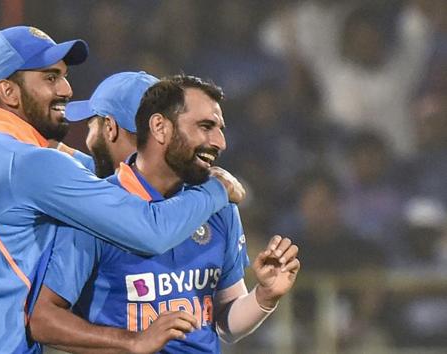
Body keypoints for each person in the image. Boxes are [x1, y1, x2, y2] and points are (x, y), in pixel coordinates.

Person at [0, 26, 244, 354]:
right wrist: (216, 190)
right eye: (50, 77)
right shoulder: (29, 164)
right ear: (9, 91)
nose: (67, 88)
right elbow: (150, 229)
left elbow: (97, 178)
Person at [29, 74, 300, 353]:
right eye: (205, 126)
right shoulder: (95, 210)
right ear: (159, 127)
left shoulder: (220, 205)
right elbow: (43, 320)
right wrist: (132, 342)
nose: (221, 142)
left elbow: (223, 322)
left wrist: (264, 297)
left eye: (219, 128)